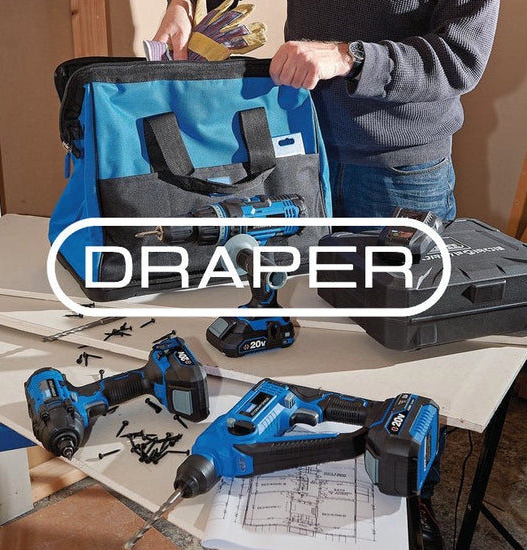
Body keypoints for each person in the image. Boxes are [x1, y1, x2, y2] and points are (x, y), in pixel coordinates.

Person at [153, 1, 500, 547]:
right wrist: (183, 8)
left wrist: (349, 57)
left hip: (397, 171)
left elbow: (460, 57)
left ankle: (408, 514)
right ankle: (310, 508)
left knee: (395, 363)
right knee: (308, 345)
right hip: (300, 148)